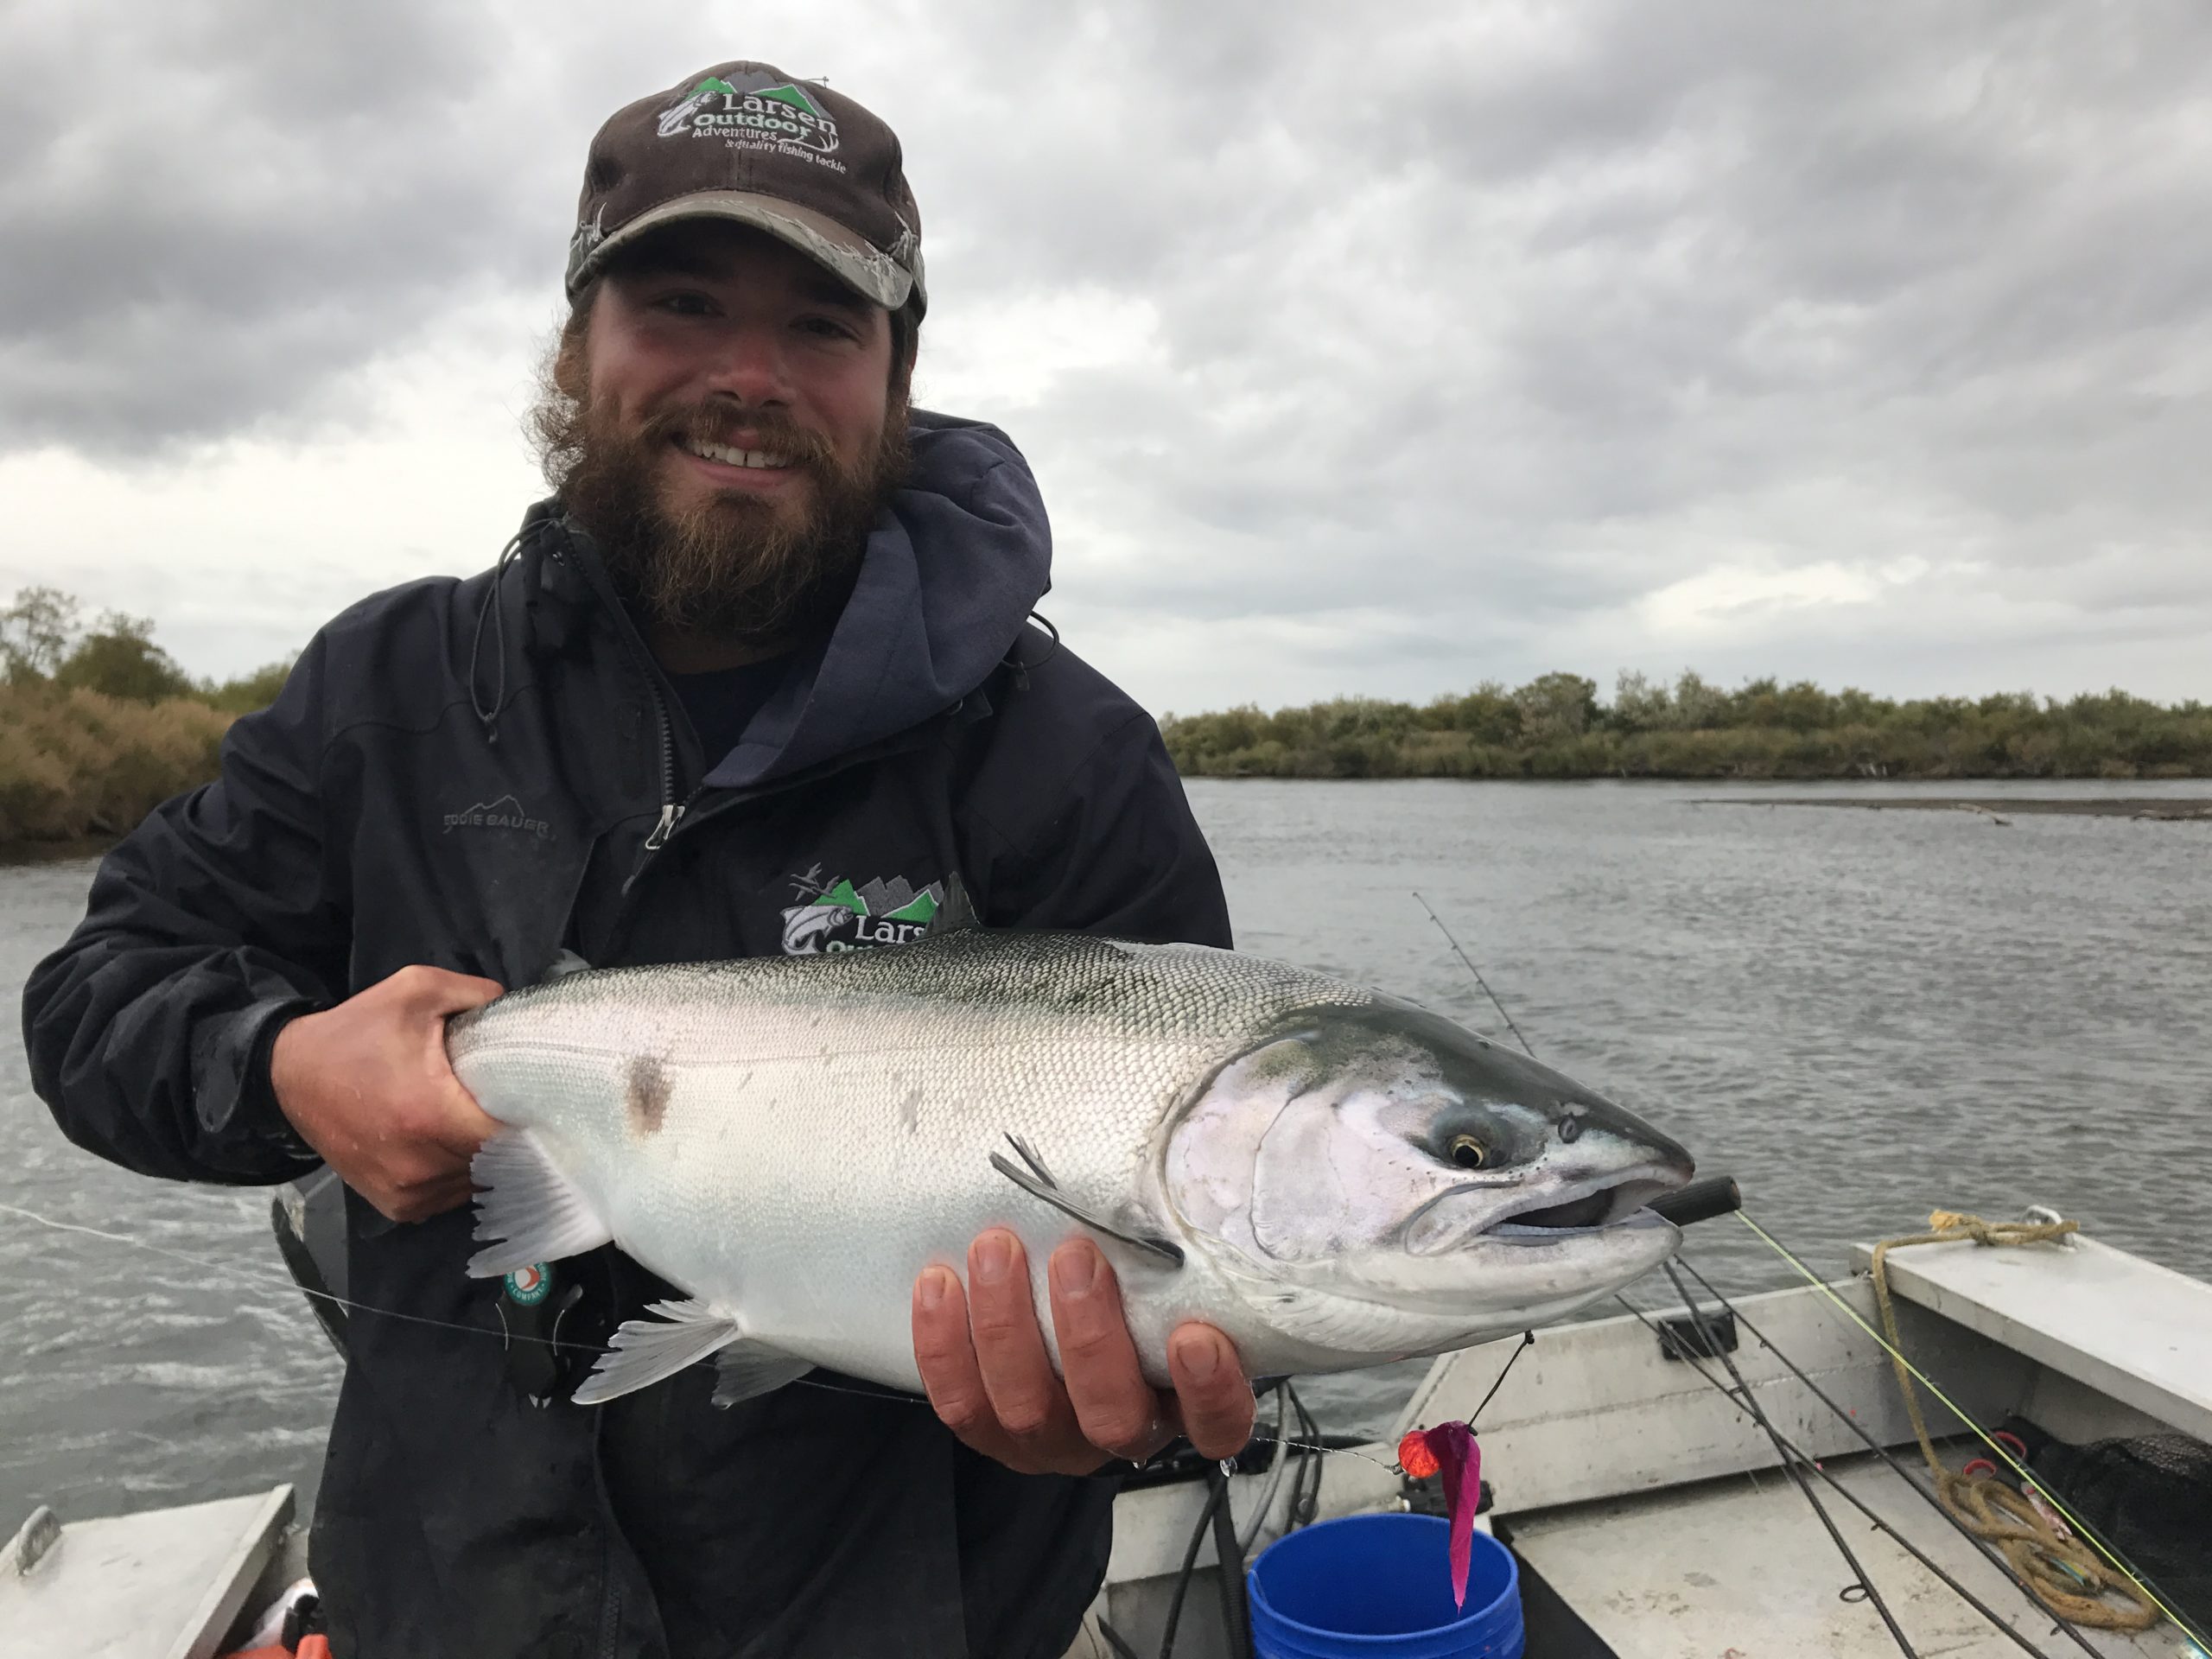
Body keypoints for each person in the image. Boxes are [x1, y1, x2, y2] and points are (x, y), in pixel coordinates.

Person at [23, 60, 1255, 1659]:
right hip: (446, 1609)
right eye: (679, 303)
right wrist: (281, 1068)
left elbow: (1199, 1265)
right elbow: (94, 1000)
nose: (751, 376)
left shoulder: (1069, 758)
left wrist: (1121, 1418)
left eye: (824, 327)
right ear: (576, 349)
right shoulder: (385, 692)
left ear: (893, 375)